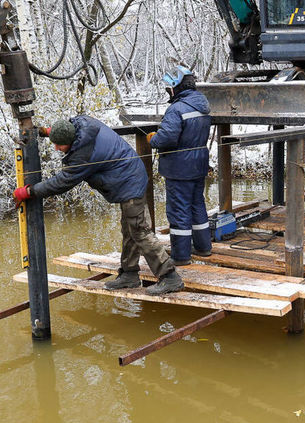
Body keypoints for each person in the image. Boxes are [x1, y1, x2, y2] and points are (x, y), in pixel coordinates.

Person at [13, 116, 183, 295]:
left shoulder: (83, 156)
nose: (56, 148)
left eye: (59, 145)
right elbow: (67, 128)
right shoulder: (83, 124)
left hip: (129, 182)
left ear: (70, 141)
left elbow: (61, 182)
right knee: (129, 229)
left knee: (139, 230)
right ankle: (129, 275)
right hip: (129, 176)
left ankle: (170, 278)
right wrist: (49, 132)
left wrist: (29, 191)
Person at [148, 66, 213, 266]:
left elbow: (166, 138)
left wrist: (153, 139)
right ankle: (203, 248)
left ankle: (181, 256)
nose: (168, 91)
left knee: (179, 211)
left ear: (176, 87)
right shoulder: (202, 104)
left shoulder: (176, 108)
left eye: (169, 88)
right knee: (197, 205)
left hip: (179, 169)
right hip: (198, 165)